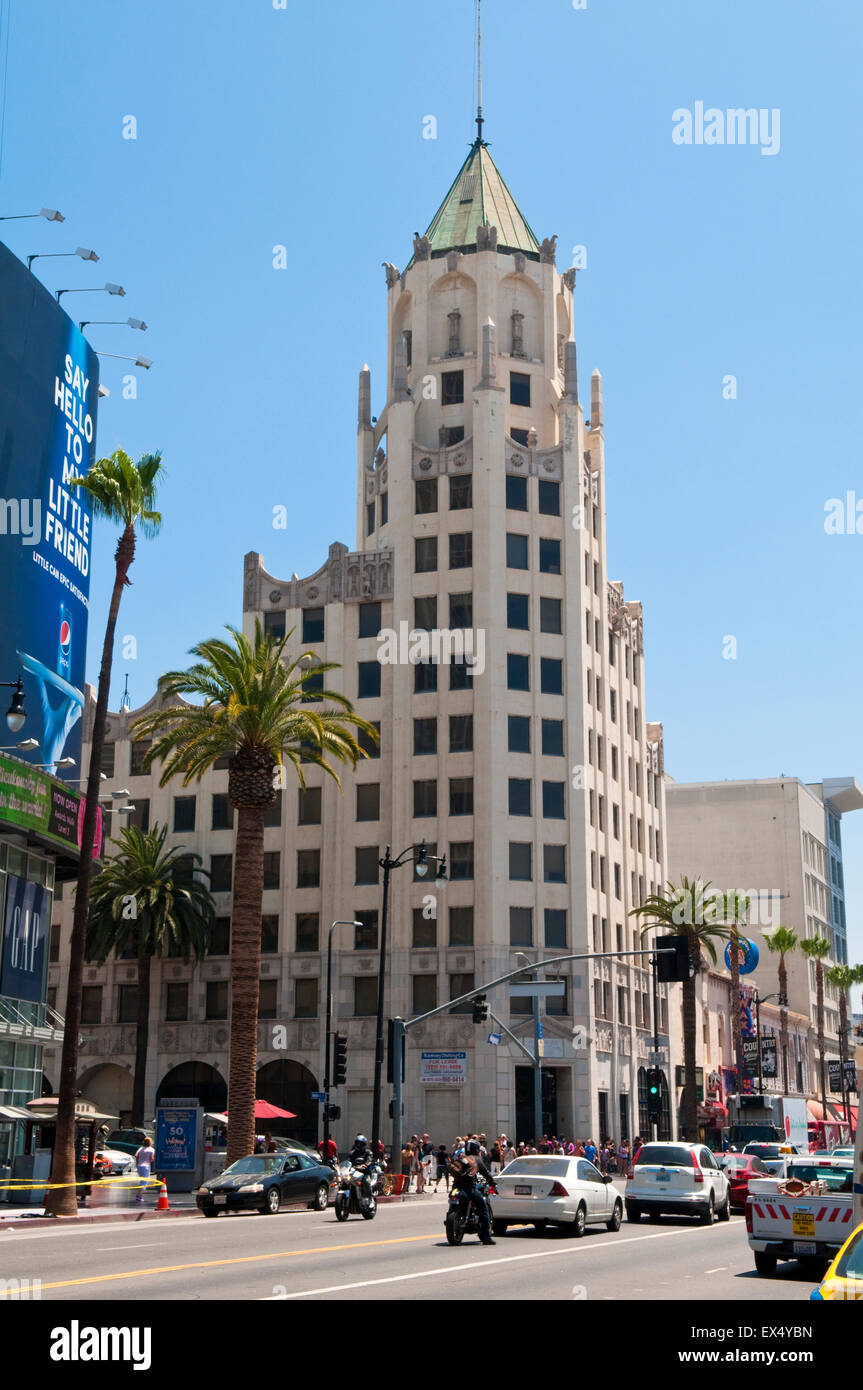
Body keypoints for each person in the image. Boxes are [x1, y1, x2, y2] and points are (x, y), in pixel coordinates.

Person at [448, 1152, 495, 1245]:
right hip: (469, 1188)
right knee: (484, 1208)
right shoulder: (476, 1159)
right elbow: (486, 1174)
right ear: (477, 1149)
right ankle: (486, 1237)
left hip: (456, 1187)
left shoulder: (460, 1157)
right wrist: (493, 1183)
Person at [134, 1136, 155, 1205]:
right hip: (146, 1167)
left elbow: (136, 1155)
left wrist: (139, 1160)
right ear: (150, 1143)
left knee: (142, 1181)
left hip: (139, 1166)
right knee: (144, 1182)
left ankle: (139, 1195)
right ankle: (139, 1196)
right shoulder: (151, 1149)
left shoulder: (141, 1148)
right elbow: (151, 1159)